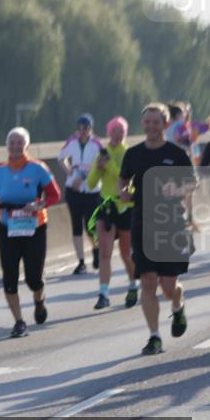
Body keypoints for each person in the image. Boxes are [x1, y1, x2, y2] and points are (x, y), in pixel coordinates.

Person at [118, 103, 197, 355]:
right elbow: (124, 178)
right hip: (142, 224)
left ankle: (177, 305)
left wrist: (178, 189)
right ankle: (154, 337)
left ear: (165, 124)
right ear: (143, 124)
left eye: (156, 122)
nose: (151, 127)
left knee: (168, 286)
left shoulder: (176, 153)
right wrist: (123, 191)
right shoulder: (133, 154)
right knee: (148, 281)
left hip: (171, 223)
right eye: (147, 122)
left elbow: (192, 181)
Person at [0, 127, 62, 338]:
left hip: (34, 228)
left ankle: (39, 299)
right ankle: (19, 321)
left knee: (34, 278)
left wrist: (39, 205)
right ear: (7, 146)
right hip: (8, 228)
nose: (16, 147)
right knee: (10, 278)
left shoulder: (38, 168)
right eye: (12, 143)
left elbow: (54, 195)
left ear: (27, 146)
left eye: (20, 143)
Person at [86, 116, 137, 309]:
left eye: (121, 132)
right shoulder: (103, 153)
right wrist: (98, 168)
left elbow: (125, 178)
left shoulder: (129, 154)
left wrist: (109, 165)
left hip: (125, 206)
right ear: (109, 133)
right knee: (104, 252)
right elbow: (91, 183)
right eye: (114, 131)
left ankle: (133, 285)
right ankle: (103, 294)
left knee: (126, 254)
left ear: (125, 133)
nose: (117, 135)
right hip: (106, 206)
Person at [58, 113, 104, 274]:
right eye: (80, 127)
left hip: (91, 189)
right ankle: (81, 262)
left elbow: (102, 163)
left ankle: (96, 249)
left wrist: (84, 176)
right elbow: (61, 157)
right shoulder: (72, 141)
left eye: (86, 127)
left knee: (90, 225)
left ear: (91, 128)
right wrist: (69, 172)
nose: (83, 131)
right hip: (73, 189)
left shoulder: (97, 144)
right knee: (76, 225)